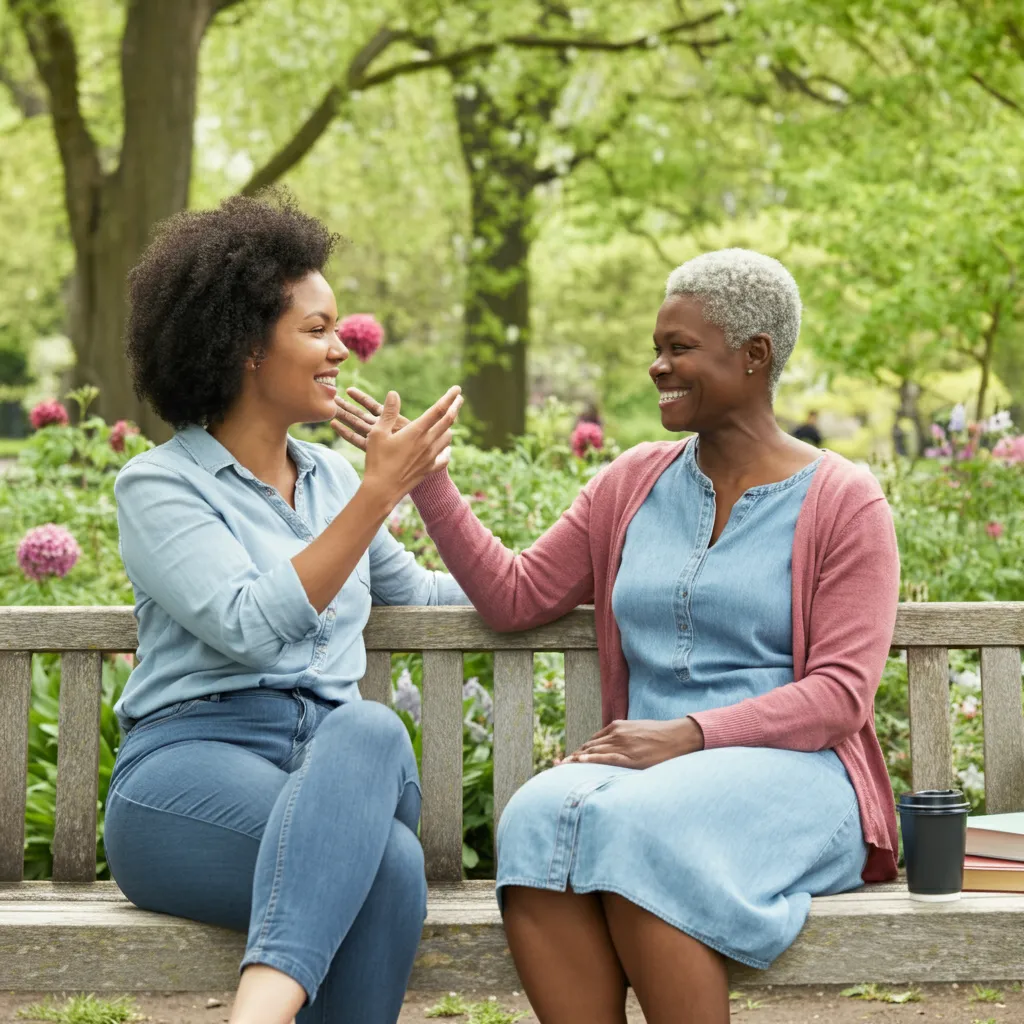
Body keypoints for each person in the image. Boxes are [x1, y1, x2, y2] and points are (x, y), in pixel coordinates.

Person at [333, 248, 900, 1024]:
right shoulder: (631, 482)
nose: (656, 366)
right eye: (657, 347)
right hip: (643, 778)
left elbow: (840, 696)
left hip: (797, 777)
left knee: (639, 836)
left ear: (755, 355)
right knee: (535, 817)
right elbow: (514, 594)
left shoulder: (845, 501)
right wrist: (424, 476)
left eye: (679, 349)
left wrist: (689, 735)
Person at [104, 191, 467, 1024]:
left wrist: (592, 576)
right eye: (315, 330)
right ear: (244, 350)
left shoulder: (336, 481)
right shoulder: (160, 485)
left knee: (368, 731)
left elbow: (421, 595)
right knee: (388, 868)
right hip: (188, 776)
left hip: (345, 771)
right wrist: (378, 495)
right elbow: (246, 621)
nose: (341, 349)